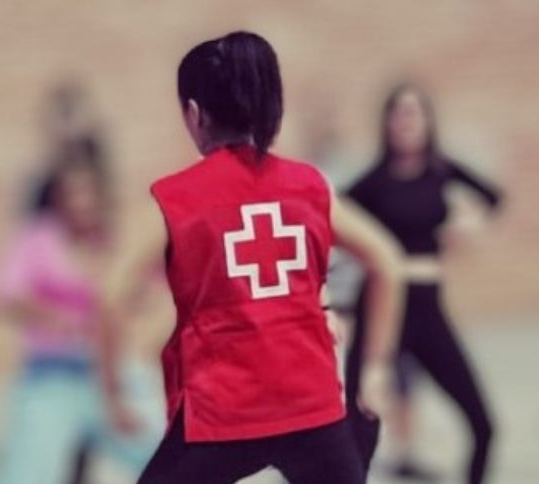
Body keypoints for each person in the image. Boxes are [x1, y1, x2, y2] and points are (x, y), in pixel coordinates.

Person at [97, 31, 406, 484]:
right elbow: (387, 261)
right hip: (313, 408)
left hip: (221, 414)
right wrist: (376, 366)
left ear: (194, 114)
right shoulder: (310, 187)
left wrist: (114, 393)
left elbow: (111, 295)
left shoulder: (173, 200)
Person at [343, 82, 502, 484]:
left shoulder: (443, 171)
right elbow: (329, 216)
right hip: (382, 309)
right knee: (353, 437)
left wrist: (469, 223)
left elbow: (493, 197)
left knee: (484, 425)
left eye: (414, 112)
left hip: (429, 312)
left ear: (429, 120)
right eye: (397, 112)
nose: (405, 121)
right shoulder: (374, 181)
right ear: (386, 123)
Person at [0, 147, 164, 484]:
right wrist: (57, 319)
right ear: (57, 200)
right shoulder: (39, 239)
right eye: (71, 193)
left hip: (111, 371)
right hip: (53, 373)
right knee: (26, 473)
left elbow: (147, 290)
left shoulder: (116, 240)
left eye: (88, 192)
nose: (81, 202)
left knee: (166, 457)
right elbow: (6, 295)